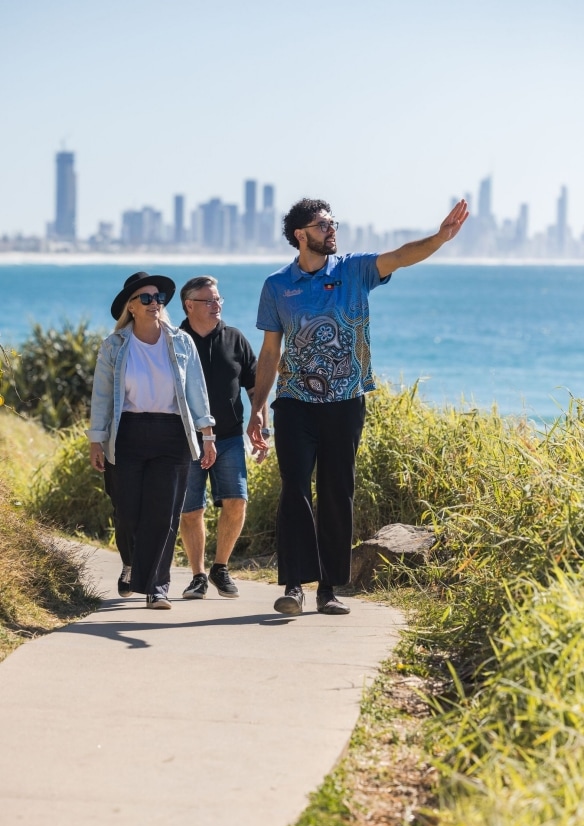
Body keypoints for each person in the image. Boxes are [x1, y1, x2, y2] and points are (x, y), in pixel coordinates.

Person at [247, 197, 469, 616]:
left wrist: (440, 238)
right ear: (300, 234)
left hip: (345, 402)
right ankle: (294, 585)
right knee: (294, 488)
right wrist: (258, 406)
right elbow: (270, 351)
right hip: (294, 401)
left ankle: (328, 588)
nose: (332, 230)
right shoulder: (277, 285)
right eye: (322, 224)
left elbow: (403, 256)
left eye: (333, 223)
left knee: (336, 491)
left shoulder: (354, 269)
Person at [87, 271, 216, 609]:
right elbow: (101, 397)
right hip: (127, 433)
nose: (154, 303)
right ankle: (131, 563)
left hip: (172, 434)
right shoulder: (113, 346)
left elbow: (196, 392)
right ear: (130, 307)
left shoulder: (181, 342)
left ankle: (157, 586)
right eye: (145, 298)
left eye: (157, 297)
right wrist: (96, 440)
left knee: (163, 514)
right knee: (127, 512)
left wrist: (207, 435)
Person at [178, 276, 269, 599]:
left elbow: (255, 387)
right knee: (191, 510)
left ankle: (221, 567)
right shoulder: (175, 342)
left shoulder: (235, 339)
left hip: (229, 438)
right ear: (189, 305)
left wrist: (262, 425)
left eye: (218, 300)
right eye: (209, 301)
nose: (217, 305)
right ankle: (198, 575)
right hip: (186, 440)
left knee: (236, 501)